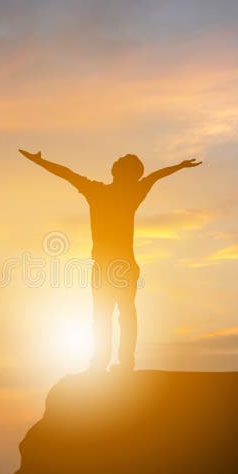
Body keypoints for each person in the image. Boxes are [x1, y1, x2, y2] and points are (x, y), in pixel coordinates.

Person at [19, 150, 202, 371]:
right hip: (113, 267)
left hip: (113, 267)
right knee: (115, 314)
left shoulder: (100, 191)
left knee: (112, 315)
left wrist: (39, 161)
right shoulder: (129, 192)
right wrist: (179, 166)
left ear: (117, 172)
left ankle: (112, 363)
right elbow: (154, 176)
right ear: (125, 174)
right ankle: (112, 362)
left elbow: (67, 173)